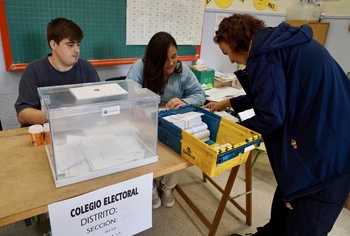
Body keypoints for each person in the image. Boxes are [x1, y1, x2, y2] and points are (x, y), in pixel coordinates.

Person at [204, 14, 350, 236]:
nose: (231, 60)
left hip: (326, 162)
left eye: (227, 52)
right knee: (281, 215)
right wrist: (230, 103)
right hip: (318, 145)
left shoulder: (264, 55)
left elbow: (271, 116)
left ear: (235, 41)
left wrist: (234, 129)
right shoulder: (279, 44)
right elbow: (269, 98)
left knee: (303, 227)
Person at [126, 31, 206, 209]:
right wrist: (143, 109)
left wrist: (185, 101)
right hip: (144, 120)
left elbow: (200, 94)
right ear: (154, 58)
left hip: (169, 120)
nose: (171, 63)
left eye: (174, 56)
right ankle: (150, 183)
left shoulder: (183, 71)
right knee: (142, 143)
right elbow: (129, 96)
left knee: (176, 143)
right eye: (165, 59)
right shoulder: (139, 68)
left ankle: (167, 185)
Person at [15, 18, 100, 126]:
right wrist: (54, 116)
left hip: (80, 129)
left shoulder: (87, 68)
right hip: (47, 133)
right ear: (53, 45)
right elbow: (23, 114)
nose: (77, 50)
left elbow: (99, 103)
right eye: (70, 45)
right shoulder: (34, 70)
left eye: (78, 44)